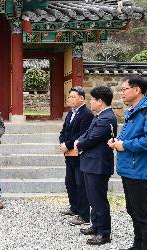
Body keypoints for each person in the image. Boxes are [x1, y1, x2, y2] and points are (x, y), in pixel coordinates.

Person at [108, 75, 147, 250]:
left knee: (142, 213)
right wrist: (117, 141)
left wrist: (125, 145)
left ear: (136, 89)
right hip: (130, 168)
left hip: (139, 168)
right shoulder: (133, 110)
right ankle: (138, 244)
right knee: (132, 210)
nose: (121, 93)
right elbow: (131, 137)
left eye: (124, 89)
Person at [74, 86, 117, 245]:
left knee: (99, 199)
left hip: (98, 165)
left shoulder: (107, 118)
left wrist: (79, 144)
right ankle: (96, 225)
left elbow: (93, 138)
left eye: (92, 99)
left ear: (100, 101)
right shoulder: (99, 116)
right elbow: (87, 134)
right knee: (93, 198)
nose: (90, 102)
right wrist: (79, 140)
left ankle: (104, 232)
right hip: (91, 163)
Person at [58, 86, 94, 226]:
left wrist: (67, 144)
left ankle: (84, 215)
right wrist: (62, 142)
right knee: (70, 182)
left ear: (82, 99)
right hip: (69, 154)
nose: (70, 99)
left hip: (79, 154)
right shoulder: (70, 113)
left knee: (81, 184)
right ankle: (74, 207)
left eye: (73, 97)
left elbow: (82, 134)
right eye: (69, 97)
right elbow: (64, 131)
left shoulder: (87, 114)